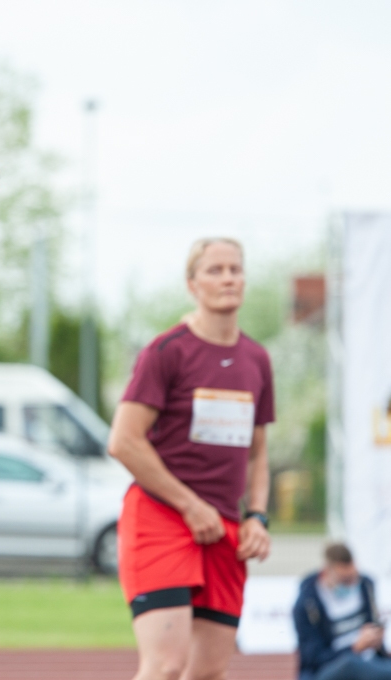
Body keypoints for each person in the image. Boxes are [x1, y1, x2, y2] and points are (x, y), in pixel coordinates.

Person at [108, 238, 275, 680]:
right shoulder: (167, 352)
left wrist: (257, 515)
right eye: (215, 270)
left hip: (225, 526)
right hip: (161, 517)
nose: (228, 279)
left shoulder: (257, 359)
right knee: (166, 666)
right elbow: (124, 442)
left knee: (208, 672)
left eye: (235, 269)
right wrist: (189, 503)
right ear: (192, 284)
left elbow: (258, 451)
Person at [294, 543, 391, 680]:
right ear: (326, 572)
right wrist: (355, 648)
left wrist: (376, 637)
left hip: (370, 664)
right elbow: (313, 658)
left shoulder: (366, 585)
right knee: (349, 664)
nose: (352, 584)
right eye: (345, 580)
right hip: (329, 669)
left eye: (354, 577)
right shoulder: (306, 604)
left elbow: (372, 623)